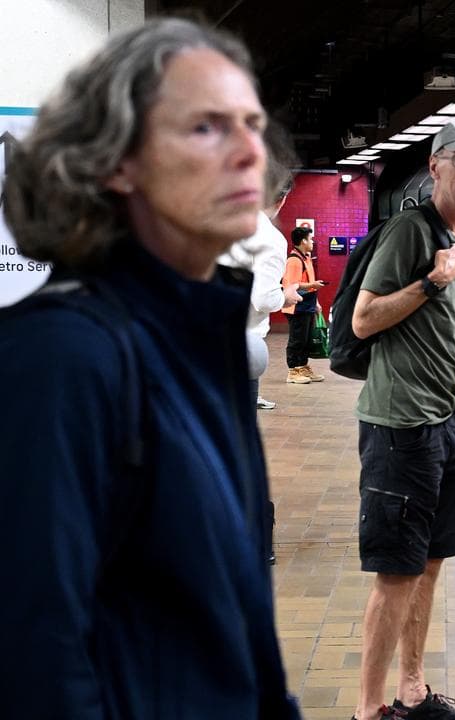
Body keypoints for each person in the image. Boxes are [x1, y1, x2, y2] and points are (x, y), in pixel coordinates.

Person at [0, 17, 299, 718]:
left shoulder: (203, 346)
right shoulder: (62, 358)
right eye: (206, 127)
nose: (249, 152)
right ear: (116, 161)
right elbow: (33, 652)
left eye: (252, 124)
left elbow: (236, 619)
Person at [348, 120, 455, 720]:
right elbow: (364, 321)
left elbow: (444, 333)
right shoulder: (411, 233)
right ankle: (368, 710)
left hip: (445, 423)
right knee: (395, 574)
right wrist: (432, 280)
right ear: (434, 167)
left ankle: (412, 691)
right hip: (399, 429)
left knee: (430, 563)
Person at [219, 124, 303, 410]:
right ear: (281, 199)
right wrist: (287, 295)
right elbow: (263, 298)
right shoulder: (269, 238)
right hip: (239, 346)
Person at [283, 224, 325, 383]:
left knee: (306, 339)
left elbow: (309, 282)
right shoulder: (294, 260)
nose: (312, 242)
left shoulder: (306, 258)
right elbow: (293, 284)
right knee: (297, 339)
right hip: (295, 305)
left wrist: (317, 303)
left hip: (308, 303)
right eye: (310, 239)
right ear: (302, 241)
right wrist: (313, 285)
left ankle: (303, 367)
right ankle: (293, 371)